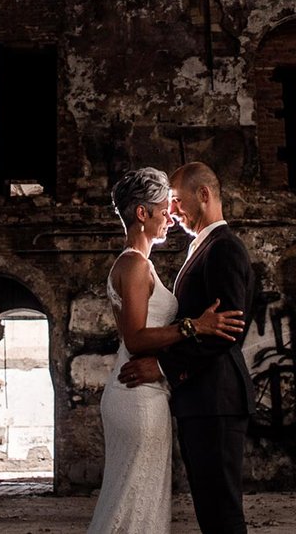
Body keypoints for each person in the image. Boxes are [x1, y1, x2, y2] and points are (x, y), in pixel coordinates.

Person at [87, 167, 244, 534]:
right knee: (133, 498)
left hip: (158, 392)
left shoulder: (144, 263)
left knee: (141, 498)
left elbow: (228, 328)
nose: (170, 217)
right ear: (142, 213)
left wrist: (169, 363)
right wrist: (194, 326)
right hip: (138, 394)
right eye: (163, 209)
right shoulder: (134, 264)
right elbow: (136, 338)